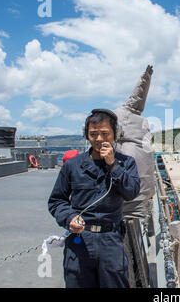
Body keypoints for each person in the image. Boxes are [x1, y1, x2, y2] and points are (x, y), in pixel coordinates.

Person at [48, 109, 140, 288]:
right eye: (93, 134)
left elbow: (131, 192)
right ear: (86, 135)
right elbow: (56, 201)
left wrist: (113, 165)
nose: (99, 139)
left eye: (105, 134)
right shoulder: (72, 166)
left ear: (116, 134)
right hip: (79, 239)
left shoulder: (126, 163)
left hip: (111, 240)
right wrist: (69, 218)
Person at [113, 65, 156, 287]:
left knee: (125, 253)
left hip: (125, 206)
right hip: (143, 201)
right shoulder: (141, 132)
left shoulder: (121, 141)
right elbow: (137, 97)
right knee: (139, 249)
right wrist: (147, 76)